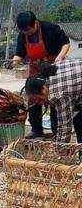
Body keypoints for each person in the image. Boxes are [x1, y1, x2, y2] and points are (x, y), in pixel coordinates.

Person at [13, 11, 70, 139]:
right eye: (24, 31)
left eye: (28, 30)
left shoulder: (50, 28)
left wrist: (60, 57)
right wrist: (15, 61)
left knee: (54, 99)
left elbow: (66, 43)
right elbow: (19, 53)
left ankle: (57, 131)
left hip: (53, 68)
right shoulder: (22, 35)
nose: (26, 33)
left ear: (36, 23)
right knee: (33, 99)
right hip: (35, 70)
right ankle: (36, 130)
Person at [25, 60, 82, 143]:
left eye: (40, 99)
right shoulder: (49, 73)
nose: (41, 103)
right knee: (78, 120)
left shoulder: (59, 94)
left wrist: (58, 151)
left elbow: (65, 128)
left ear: (43, 89)